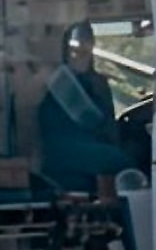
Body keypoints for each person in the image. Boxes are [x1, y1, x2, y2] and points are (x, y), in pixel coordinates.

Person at [39, 21, 134, 202]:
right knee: (122, 162)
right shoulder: (62, 83)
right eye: (76, 51)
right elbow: (91, 119)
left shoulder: (90, 82)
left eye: (86, 49)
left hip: (77, 147)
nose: (81, 56)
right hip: (62, 148)